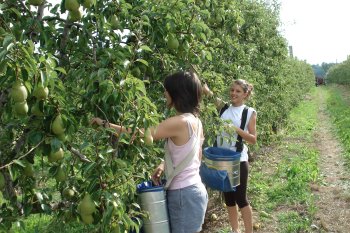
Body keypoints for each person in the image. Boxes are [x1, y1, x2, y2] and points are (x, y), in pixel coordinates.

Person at [91, 71, 208, 233]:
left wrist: (105, 124)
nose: (164, 93)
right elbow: (195, 157)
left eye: (167, 90)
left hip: (183, 196)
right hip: (194, 191)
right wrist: (164, 164)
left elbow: (139, 133)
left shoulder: (179, 122)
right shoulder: (196, 121)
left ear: (177, 93)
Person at [203, 79, 257, 233]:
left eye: (238, 91)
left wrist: (235, 129)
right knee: (229, 198)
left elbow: (253, 139)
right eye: (232, 90)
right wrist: (201, 83)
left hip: (238, 160)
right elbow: (209, 94)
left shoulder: (249, 112)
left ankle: (248, 231)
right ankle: (235, 230)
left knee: (241, 199)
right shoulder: (224, 108)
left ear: (245, 94)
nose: (234, 93)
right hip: (221, 159)